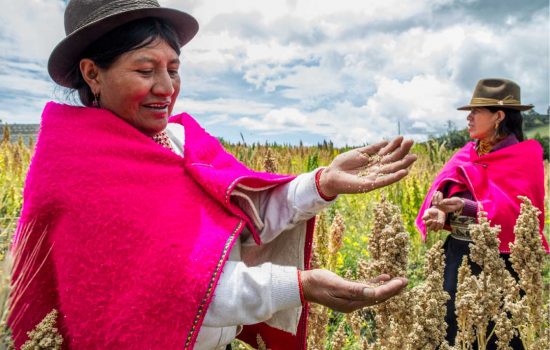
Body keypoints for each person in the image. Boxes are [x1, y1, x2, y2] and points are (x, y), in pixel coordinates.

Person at [8, 1, 417, 349]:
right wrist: (298, 285)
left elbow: (242, 220)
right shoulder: (75, 166)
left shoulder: (182, 140)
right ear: (93, 73)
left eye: (173, 68)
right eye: (145, 70)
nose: (166, 87)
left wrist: (321, 183)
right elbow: (175, 289)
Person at [416, 78, 549, 349]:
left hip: (500, 263)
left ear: (498, 116)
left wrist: (465, 207)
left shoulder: (525, 155)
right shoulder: (466, 154)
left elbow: (521, 214)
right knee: (452, 331)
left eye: (476, 111)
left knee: (496, 335)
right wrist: (441, 215)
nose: (469, 117)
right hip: (457, 256)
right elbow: (445, 192)